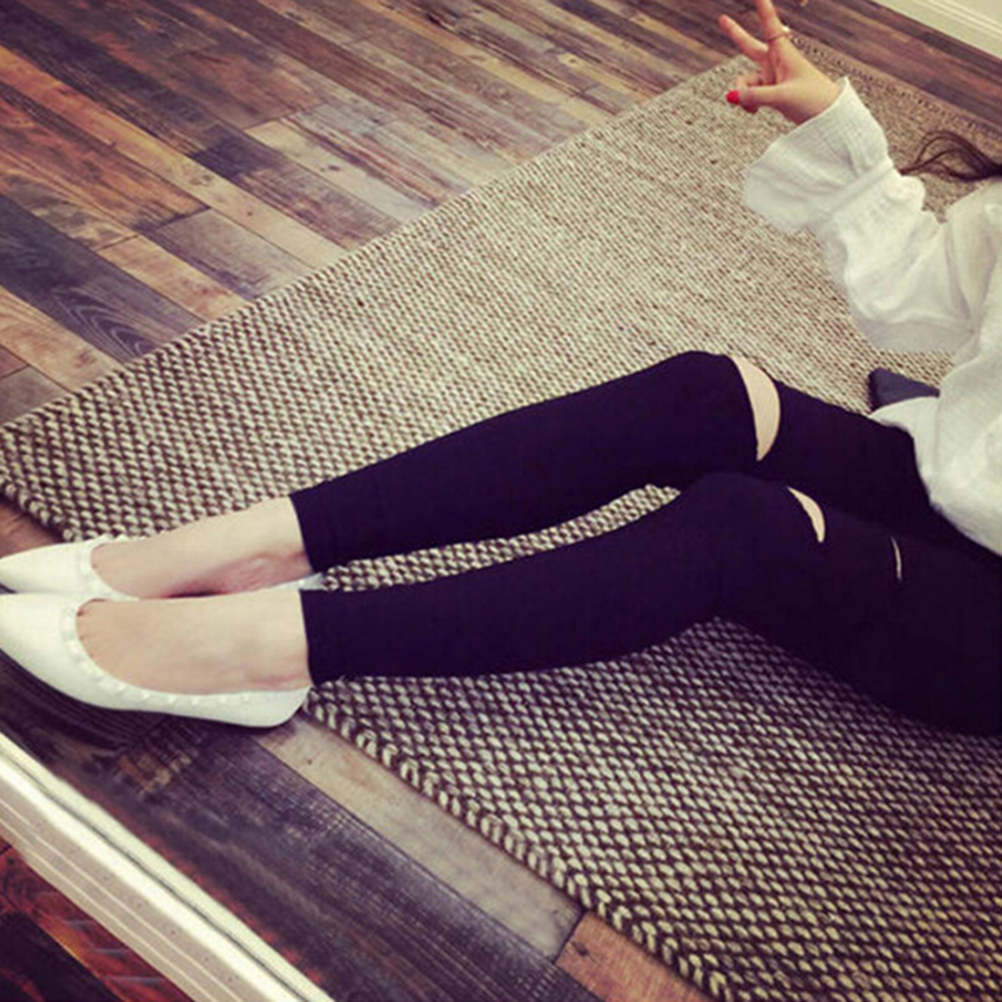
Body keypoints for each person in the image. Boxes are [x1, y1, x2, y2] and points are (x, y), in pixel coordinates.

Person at [0, 0, 998, 733]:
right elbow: (923, 293)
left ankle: (271, 650)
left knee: (742, 526)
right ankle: (255, 549)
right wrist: (847, 148)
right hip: (958, 481)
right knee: (707, 392)